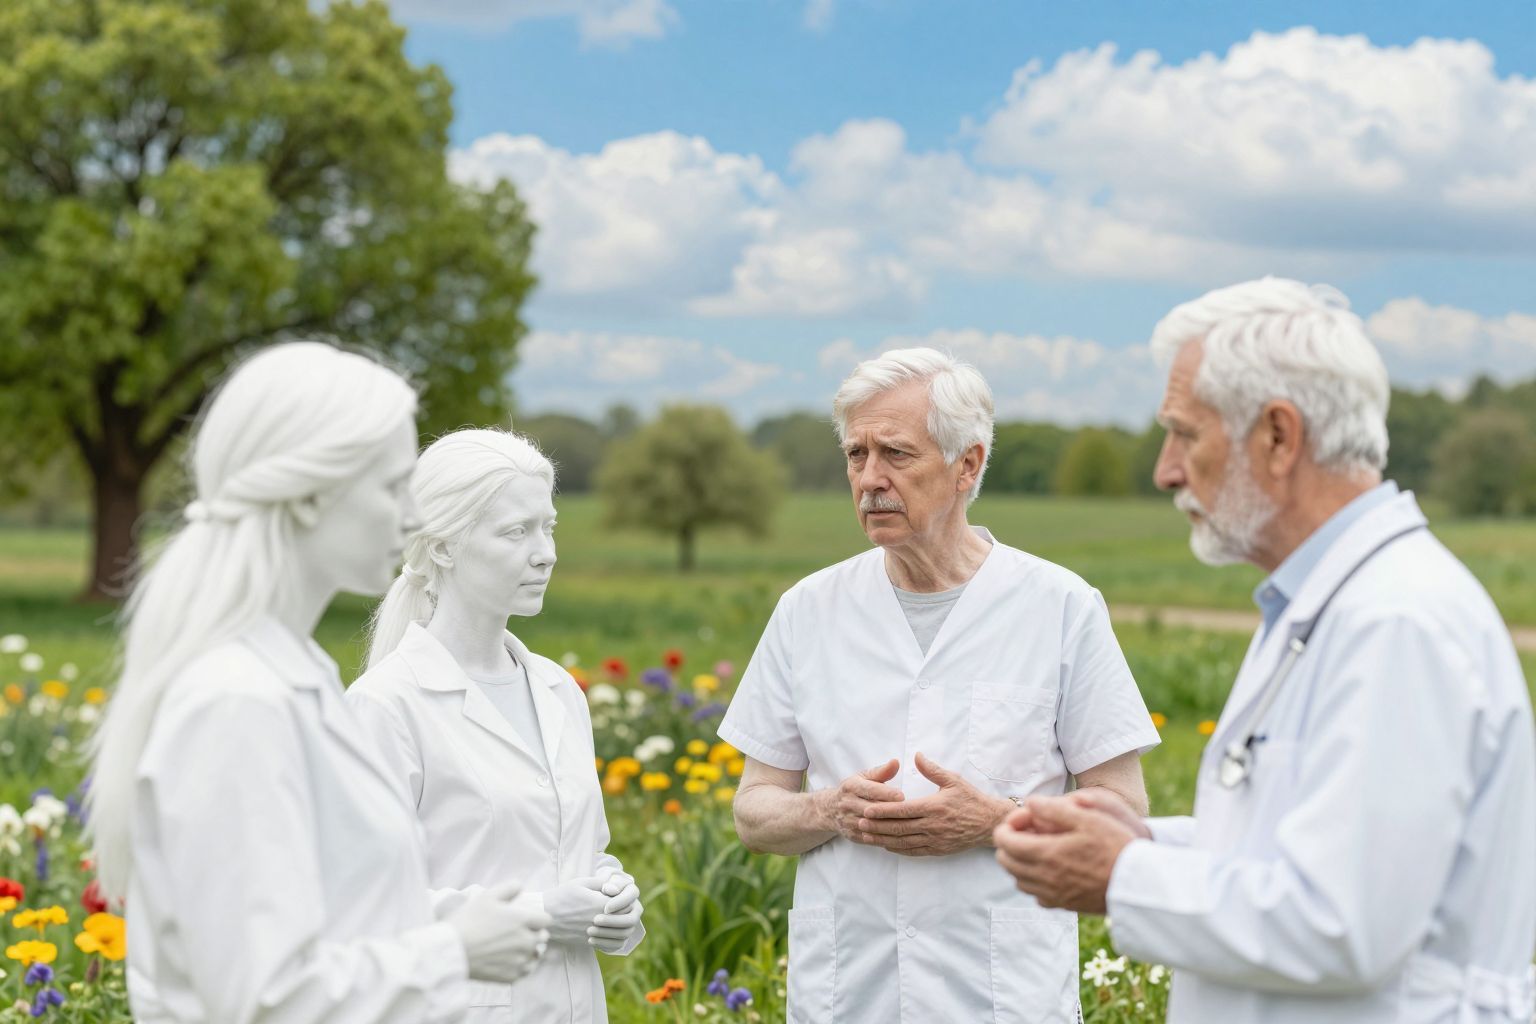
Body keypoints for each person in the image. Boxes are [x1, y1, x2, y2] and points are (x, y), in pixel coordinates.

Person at [994, 278, 1536, 1023]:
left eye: (1185, 433)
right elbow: (1294, 854)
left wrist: (1122, 875)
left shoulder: (1397, 622)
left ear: (1278, 437)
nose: (1166, 470)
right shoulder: (1326, 604)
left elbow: (1346, 924)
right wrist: (1143, 841)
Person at [87, 343, 551, 1024]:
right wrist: (453, 950)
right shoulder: (237, 701)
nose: (414, 518)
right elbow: (262, 998)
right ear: (309, 496)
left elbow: (331, 917)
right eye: (392, 487)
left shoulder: (291, 678)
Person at [720, 348, 1161, 1023]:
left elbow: (1121, 806)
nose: (870, 479)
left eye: (896, 454)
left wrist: (996, 821)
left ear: (968, 464)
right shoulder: (807, 610)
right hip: (850, 993)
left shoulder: (1059, 605)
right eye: (856, 455)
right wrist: (830, 810)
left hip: (1001, 995)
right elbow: (755, 809)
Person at [348, 428, 644, 1023]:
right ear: (445, 548)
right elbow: (360, 907)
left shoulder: (559, 691)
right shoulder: (385, 706)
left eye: (549, 526)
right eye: (515, 532)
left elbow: (580, 851)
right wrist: (539, 914)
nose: (545, 552)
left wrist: (615, 900)